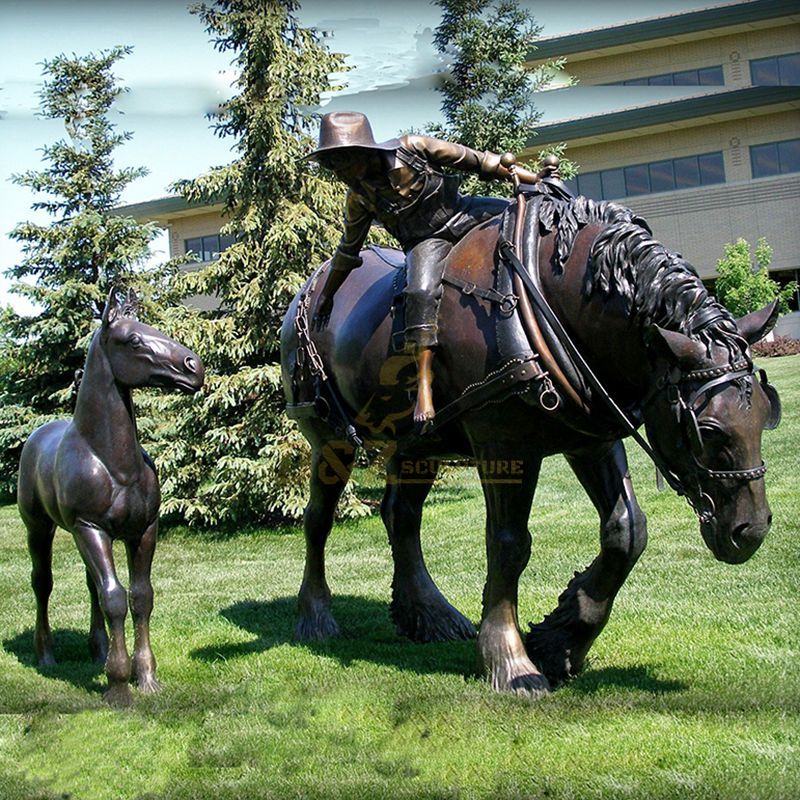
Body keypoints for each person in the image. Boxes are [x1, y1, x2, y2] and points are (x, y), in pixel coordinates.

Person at [307, 111, 558, 424]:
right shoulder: (359, 198)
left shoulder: (414, 148)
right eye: (332, 165)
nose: (338, 172)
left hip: (465, 214)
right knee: (421, 291)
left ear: (363, 152)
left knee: (527, 215)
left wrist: (535, 180)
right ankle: (424, 385)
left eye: (342, 161)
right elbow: (348, 250)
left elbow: (480, 162)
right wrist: (328, 294)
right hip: (426, 242)